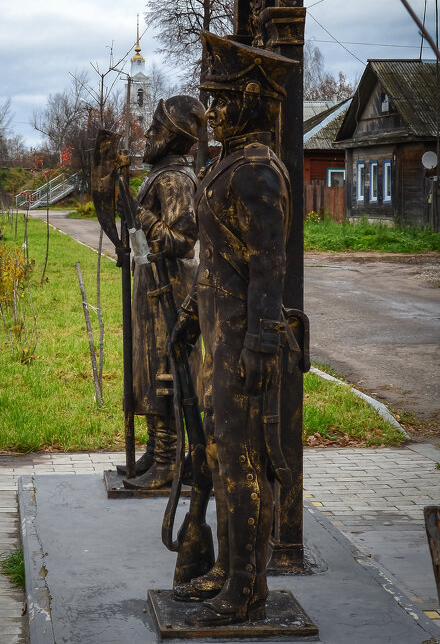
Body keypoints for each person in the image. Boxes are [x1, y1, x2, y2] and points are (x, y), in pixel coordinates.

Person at [170, 31, 300, 626]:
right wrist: (191, 321)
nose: (213, 110)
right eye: (210, 97)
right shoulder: (228, 165)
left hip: (246, 348)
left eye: (223, 97)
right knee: (222, 459)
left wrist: (260, 343)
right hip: (222, 343)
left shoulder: (257, 172)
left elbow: (269, 265)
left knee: (246, 462)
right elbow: (217, 264)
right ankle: (229, 566)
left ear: (252, 96)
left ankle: (247, 590)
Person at [121, 95, 205, 491]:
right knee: (150, 368)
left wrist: (146, 218)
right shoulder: (161, 174)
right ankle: (157, 450)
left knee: (166, 373)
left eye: (155, 128)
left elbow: (184, 241)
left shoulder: (175, 180)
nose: (148, 135)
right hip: (154, 288)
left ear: (172, 138)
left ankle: (169, 460)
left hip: (170, 292)